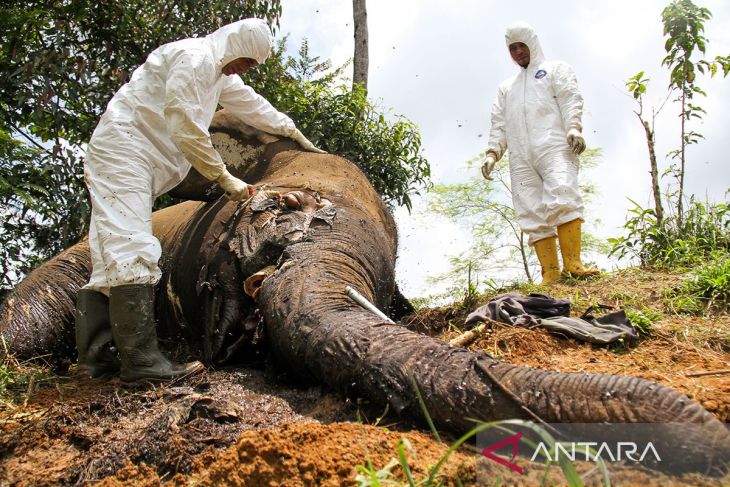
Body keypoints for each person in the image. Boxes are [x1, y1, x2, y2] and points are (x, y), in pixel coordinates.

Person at [75, 19, 324, 382]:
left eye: (252, 66)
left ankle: (95, 361)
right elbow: (184, 123)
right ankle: (142, 363)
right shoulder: (193, 58)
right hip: (125, 152)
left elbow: (252, 105)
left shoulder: (219, 75)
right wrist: (223, 177)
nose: (245, 69)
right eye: (245, 60)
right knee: (130, 246)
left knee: (108, 253)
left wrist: (290, 130)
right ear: (231, 45)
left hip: (129, 160)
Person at [481, 21, 599, 284]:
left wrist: (574, 127)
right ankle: (550, 274)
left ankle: (574, 264)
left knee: (562, 191)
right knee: (529, 208)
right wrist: (492, 152)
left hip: (554, 145)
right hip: (520, 155)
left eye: (522, 45)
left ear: (532, 44)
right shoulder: (506, 88)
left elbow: (571, 98)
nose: (518, 52)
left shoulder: (556, 70)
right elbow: (499, 123)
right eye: (513, 48)